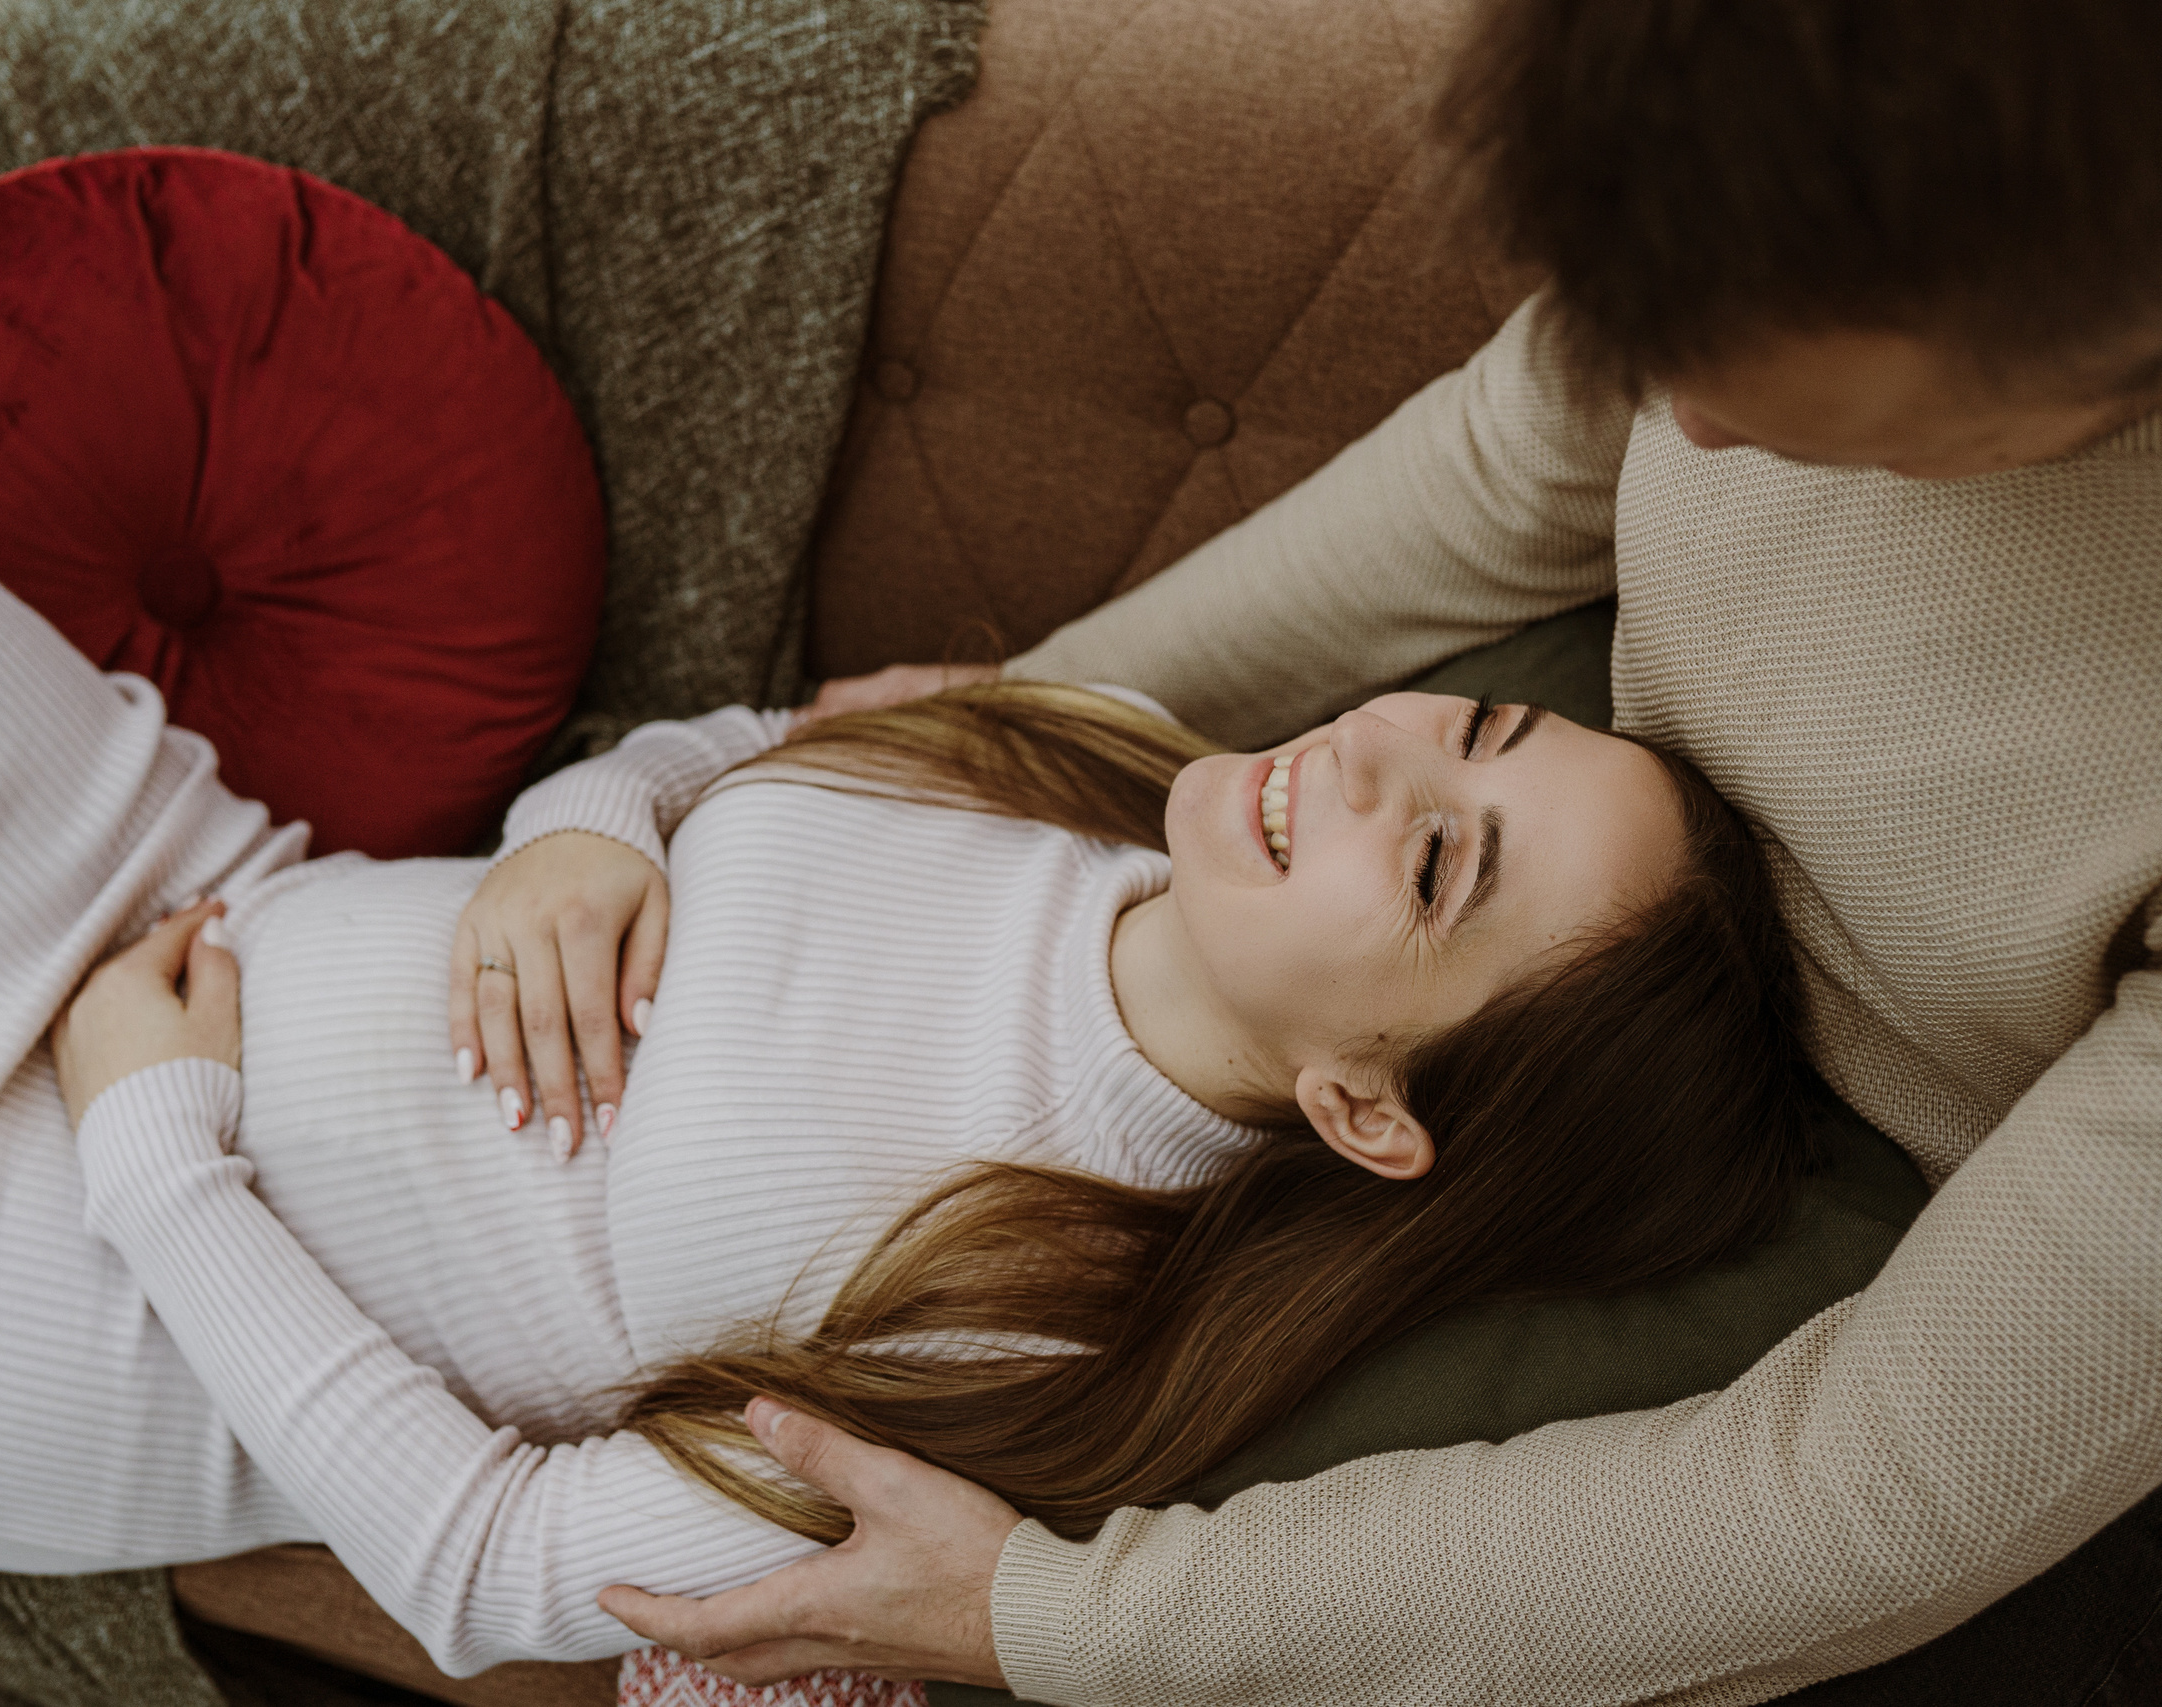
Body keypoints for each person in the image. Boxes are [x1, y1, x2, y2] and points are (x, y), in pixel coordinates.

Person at [0, 339, 1812, 1675]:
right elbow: (726, 754)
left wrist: (155, 1146)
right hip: (180, 881)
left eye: (1432, 863)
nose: (1382, 762)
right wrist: (593, 827)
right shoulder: (1113, 744)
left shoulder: (1015, 1322)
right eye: (1471, 739)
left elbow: (485, 1566)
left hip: (61, 1273)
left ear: (1367, 1110)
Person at [598, 1, 2162, 1702]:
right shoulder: (1757, 183)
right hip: (1570, 856)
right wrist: (1017, 729)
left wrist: (1065, 1619)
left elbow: (1873, 1491)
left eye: (1788, 414)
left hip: (1850, 1241)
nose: (1682, 432)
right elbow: (1501, 478)